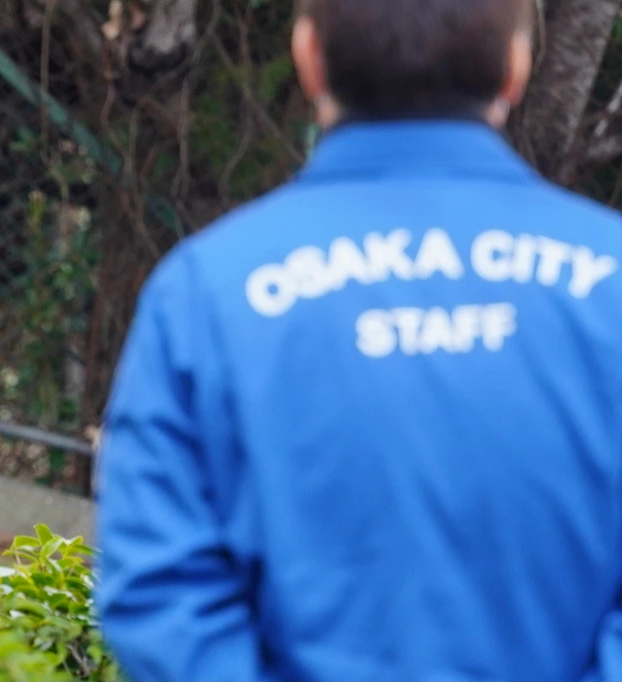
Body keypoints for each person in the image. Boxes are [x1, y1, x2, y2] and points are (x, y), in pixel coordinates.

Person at [93, 0, 622, 680]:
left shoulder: (204, 291)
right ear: (517, 67)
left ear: (308, 56)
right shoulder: (609, 280)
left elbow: (157, 590)